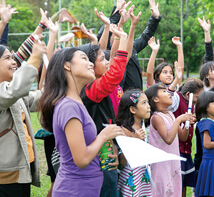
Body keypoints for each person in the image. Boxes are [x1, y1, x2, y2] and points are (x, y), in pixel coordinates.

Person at [39, 47, 125, 196]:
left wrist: (107, 153)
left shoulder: (76, 102)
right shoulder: (68, 107)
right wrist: (103, 136)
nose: (91, 63)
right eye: (84, 58)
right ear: (67, 65)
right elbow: (81, 159)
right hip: (75, 190)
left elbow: (85, 147)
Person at [79, 24, 131, 197]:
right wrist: (122, 39)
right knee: (108, 188)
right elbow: (116, 75)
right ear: (89, 66)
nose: (108, 61)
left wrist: (118, 38)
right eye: (102, 59)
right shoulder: (90, 89)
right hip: (99, 149)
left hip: (107, 144)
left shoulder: (95, 85)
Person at [0, 39, 46, 197]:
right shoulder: (8, 92)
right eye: (7, 58)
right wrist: (35, 58)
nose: (14, 62)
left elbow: (38, 98)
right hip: (5, 178)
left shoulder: (12, 92)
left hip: (21, 173)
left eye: (13, 58)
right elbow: (16, 90)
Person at [144, 83, 194, 197]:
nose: (169, 93)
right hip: (161, 164)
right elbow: (168, 139)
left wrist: (186, 124)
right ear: (156, 99)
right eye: (164, 91)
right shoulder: (157, 117)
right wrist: (179, 120)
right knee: (163, 190)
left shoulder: (171, 114)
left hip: (173, 163)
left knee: (174, 190)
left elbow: (182, 136)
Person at [170, 78, 204, 197]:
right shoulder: (177, 99)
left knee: (184, 182)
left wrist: (191, 121)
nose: (199, 100)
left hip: (186, 148)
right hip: (177, 148)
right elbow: (170, 95)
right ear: (188, 94)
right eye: (198, 96)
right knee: (178, 182)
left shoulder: (191, 105)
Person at [116, 89, 152, 197]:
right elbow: (122, 161)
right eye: (144, 103)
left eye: (148, 102)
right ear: (132, 109)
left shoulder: (143, 125)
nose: (148, 106)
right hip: (131, 179)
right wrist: (135, 141)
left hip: (143, 177)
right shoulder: (124, 131)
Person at [121, 0, 161, 91]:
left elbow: (145, 36)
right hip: (124, 99)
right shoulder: (111, 52)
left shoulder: (132, 47)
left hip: (138, 96)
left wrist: (155, 18)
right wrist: (120, 22)